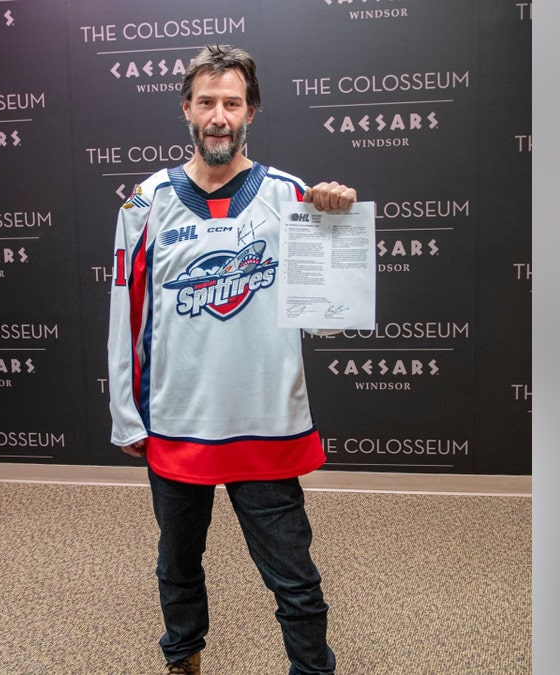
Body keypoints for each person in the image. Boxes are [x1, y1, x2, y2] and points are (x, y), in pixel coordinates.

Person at [106, 44, 356, 675]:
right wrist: (128, 417)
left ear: (252, 113)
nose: (220, 115)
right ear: (187, 108)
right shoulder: (145, 203)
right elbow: (126, 316)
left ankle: (312, 669)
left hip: (265, 424)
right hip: (179, 422)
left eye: (233, 103)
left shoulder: (292, 194)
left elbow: (327, 323)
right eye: (208, 102)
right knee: (177, 565)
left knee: (295, 580)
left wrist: (334, 226)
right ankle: (183, 659)